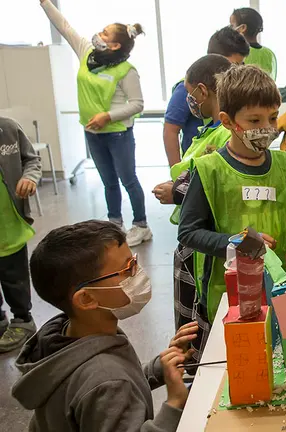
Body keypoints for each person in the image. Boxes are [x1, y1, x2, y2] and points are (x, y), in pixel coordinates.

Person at [12, 220, 199, 431]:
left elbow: (112, 383)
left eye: (134, 261)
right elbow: (109, 384)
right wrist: (175, 404)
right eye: (128, 269)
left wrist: (159, 368)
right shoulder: (107, 381)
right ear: (86, 299)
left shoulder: (64, 337)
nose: (138, 273)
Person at [178, 64, 286, 328]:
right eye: (255, 121)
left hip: (283, 288)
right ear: (228, 121)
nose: (267, 128)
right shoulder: (210, 170)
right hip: (231, 295)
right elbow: (187, 232)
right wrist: (237, 243)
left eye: (273, 118)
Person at [40, 0, 150, 246]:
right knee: (108, 182)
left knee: (128, 179)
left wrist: (107, 116)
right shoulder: (87, 52)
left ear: (115, 44)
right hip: (92, 133)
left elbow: (137, 104)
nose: (98, 35)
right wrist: (45, 3)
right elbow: (65, 27)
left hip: (118, 134)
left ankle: (141, 225)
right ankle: (114, 224)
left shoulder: (126, 70)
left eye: (104, 33)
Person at [152, 54, 233, 353]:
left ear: (202, 90)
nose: (190, 101)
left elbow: (217, 183)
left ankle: (198, 368)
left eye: (190, 95)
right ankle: (190, 368)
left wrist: (176, 192)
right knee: (190, 316)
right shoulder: (208, 130)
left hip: (204, 236)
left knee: (200, 316)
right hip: (190, 234)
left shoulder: (226, 133)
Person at [163, 27, 249, 167]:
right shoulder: (189, 87)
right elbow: (170, 130)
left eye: (241, 65)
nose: (235, 71)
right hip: (193, 160)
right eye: (234, 65)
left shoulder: (236, 91)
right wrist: (176, 177)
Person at [0, 117, 41, 353]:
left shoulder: (8, 128)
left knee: (14, 277)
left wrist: (29, 177)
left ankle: (23, 320)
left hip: (8, 224)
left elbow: (32, 160)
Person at [231, 8, 277, 81]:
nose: (229, 30)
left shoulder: (236, 53)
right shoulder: (270, 54)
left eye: (232, 25)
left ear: (242, 28)